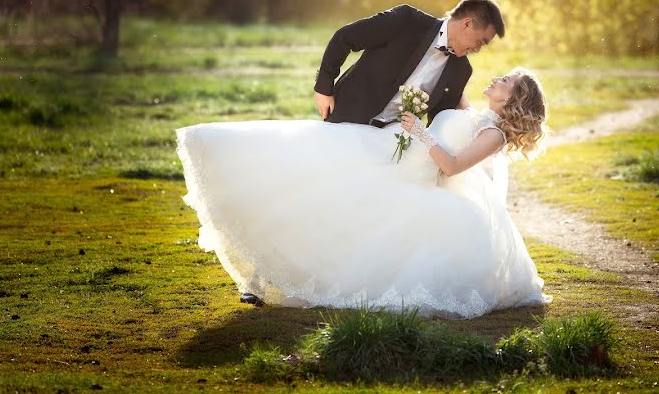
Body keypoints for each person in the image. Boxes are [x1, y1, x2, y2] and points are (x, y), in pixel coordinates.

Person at [175, 65, 552, 319]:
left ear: (511, 99)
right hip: (395, 159)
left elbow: (451, 166)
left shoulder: (494, 134)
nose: (498, 80)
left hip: (419, 179)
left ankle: (288, 275)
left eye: (506, 82)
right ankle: (266, 268)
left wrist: (419, 131)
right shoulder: (474, 114)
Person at [313, 0, 505, 127]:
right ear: (467, 24)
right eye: (480, 42)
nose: (477, 50)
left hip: (391, 143)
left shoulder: (461, 71)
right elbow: (345, 37)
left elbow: (439, 121)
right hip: (347, 117)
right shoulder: (406, 21)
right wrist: (323, 88)